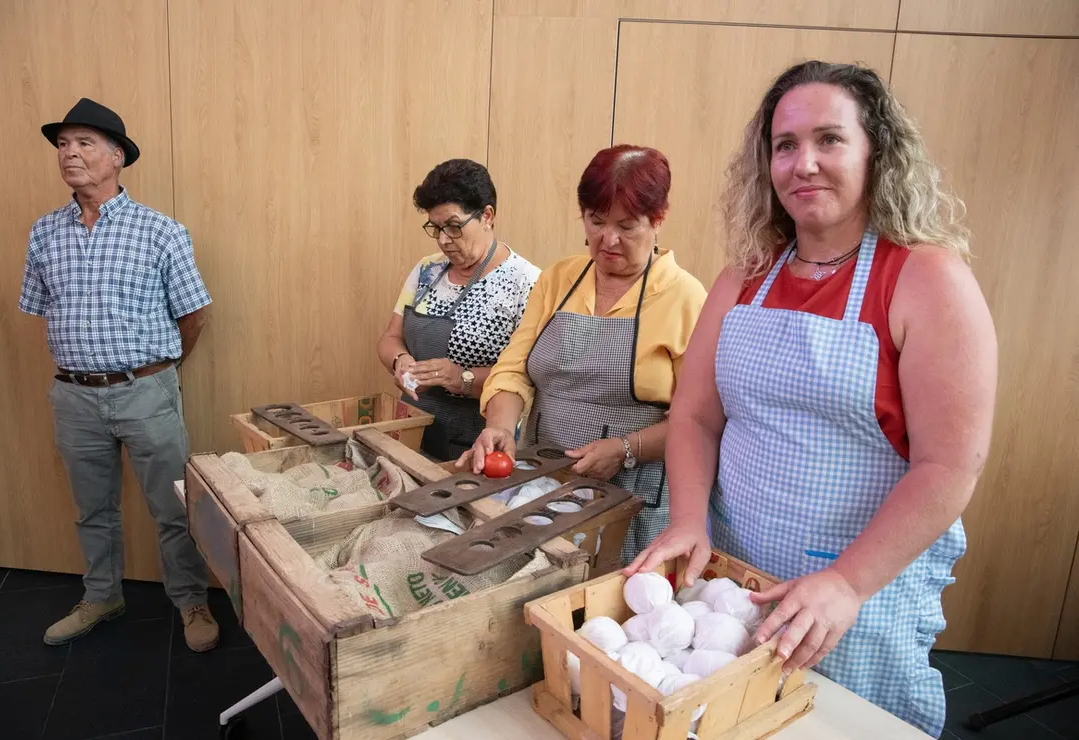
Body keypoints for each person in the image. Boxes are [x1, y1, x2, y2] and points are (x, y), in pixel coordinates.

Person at [626, 62, 997, 736]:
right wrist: (688, 521)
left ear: (875, 152)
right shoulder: (746, 276)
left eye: (830, 139)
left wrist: (849, 584)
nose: (805, 164)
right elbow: (695, 415)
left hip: (860, 593)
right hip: (736, 581)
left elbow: (949, 466)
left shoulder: (924, 279)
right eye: (786, 145)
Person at [19, 98, 219, 652]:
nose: (69, 154)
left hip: (146, 390)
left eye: (83, 143)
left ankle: (191, 600)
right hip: (73, 396)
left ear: (116, 157)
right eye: (62, 144)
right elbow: (41, 308)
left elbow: (194, 314)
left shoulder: (161, 231)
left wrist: (164, 372)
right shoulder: (44, 234)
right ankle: (101, 595)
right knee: (92, 508)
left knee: (173, 506)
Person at [461, 145, 708, 563]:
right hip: (543, 481)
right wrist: (500, 424)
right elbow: (514, 369)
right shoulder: (561, 278)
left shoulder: (686, 298)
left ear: (659, 220)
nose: (607, 240)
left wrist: (627, 448)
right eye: (595, 222)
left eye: (626, 227)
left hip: (632, 496)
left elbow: (697, 421)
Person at [377, 159, 540, 461]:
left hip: (477, 445)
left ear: (487, 216)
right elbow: (390, 337)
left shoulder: (526, 283)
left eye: (453, 226)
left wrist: (460, 378)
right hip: (413, 432)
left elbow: (527, 377)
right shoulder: (427, 269)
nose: (443, 239)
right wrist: (400, 361)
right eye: (435, 227)